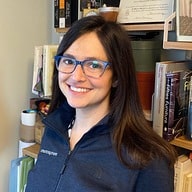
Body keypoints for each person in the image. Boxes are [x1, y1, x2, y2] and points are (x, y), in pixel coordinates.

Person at [26, 15, 177, 192]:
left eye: (94, 65)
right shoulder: (54, 129)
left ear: (117, 76)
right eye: (68, 61)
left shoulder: (149, 159)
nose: (76, 77)